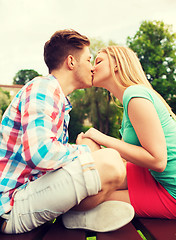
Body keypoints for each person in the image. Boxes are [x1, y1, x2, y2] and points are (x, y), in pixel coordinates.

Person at [0, 30, 134, 234]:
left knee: (99, 154)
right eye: (89, 59)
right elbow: (41, 154)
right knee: (110, 161)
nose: (92, 67)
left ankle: (75, 215)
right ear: (71, 62)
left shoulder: (59, 99)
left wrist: (85, 149)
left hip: (30, 194)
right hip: (11, 205)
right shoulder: (42, 88)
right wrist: (87, 152)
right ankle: (76, 214)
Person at [80, 45, 176, 219]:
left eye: (98, 61)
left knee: (84, 202)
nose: (92, 68)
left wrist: (101, 138)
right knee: (88, 186)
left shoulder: (135, 94)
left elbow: (159, 160)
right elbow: (126, 158)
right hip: (152, 176)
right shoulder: (128, 102)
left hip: (171, 192)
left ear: (117, 65)